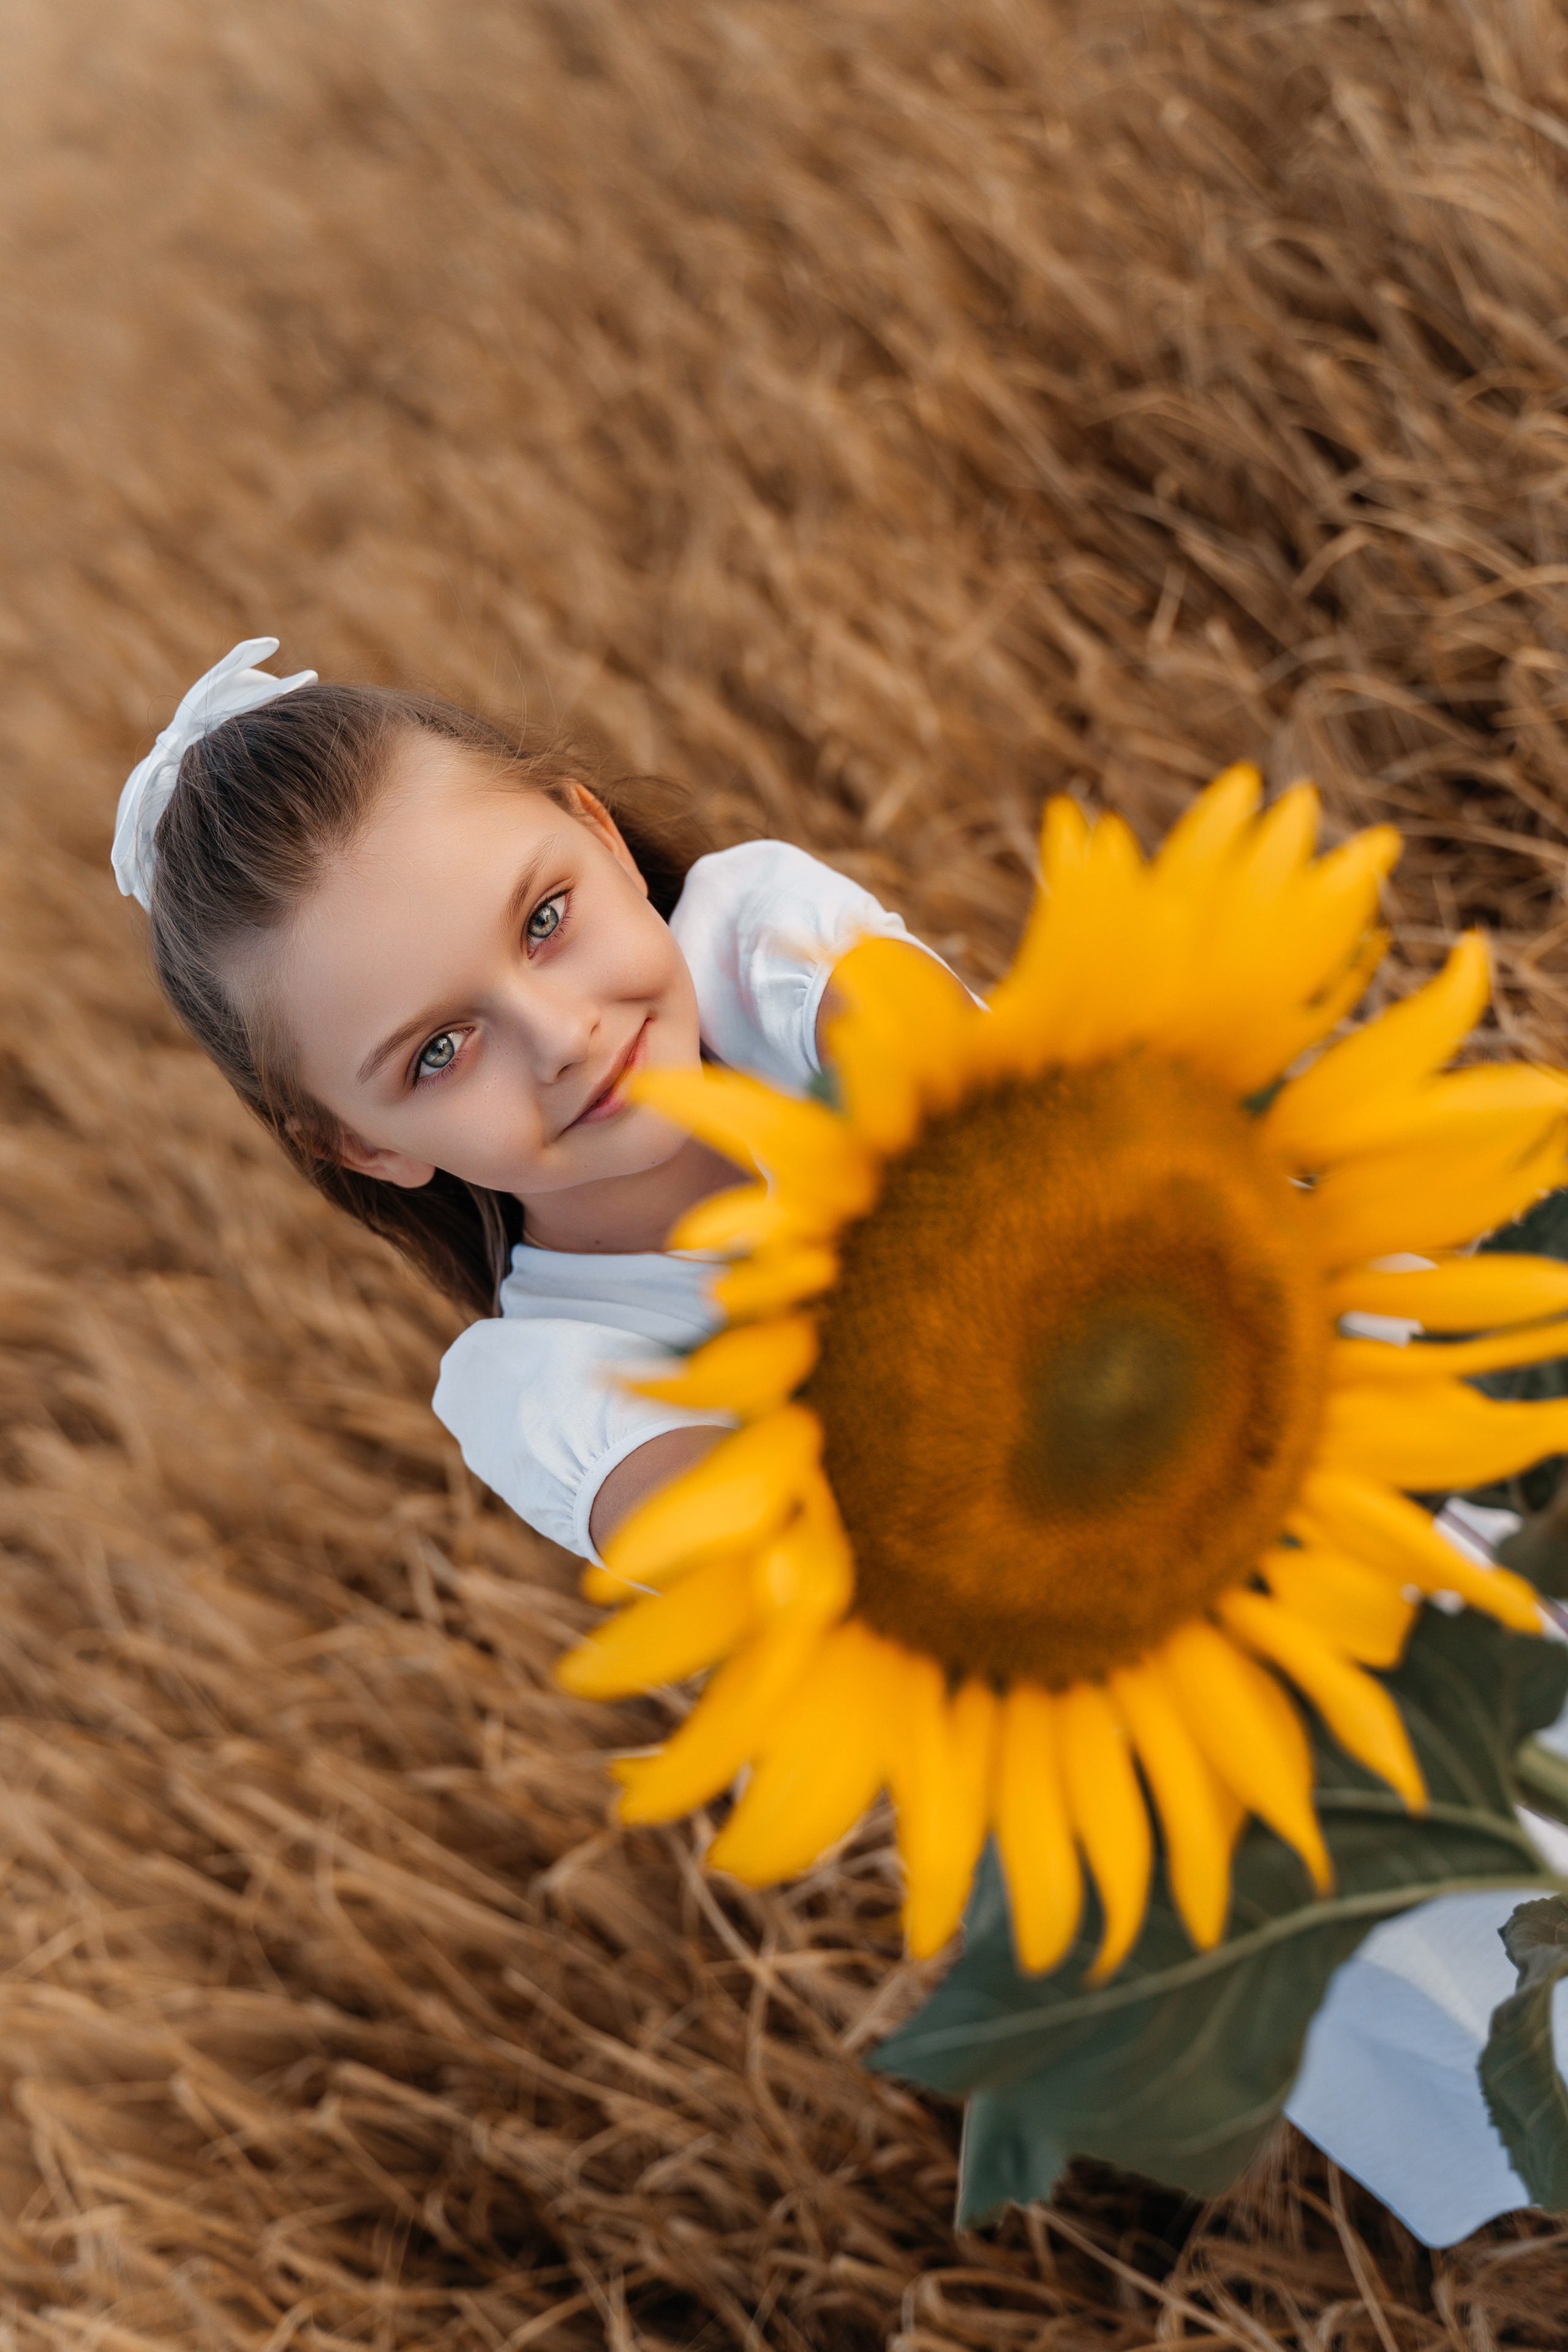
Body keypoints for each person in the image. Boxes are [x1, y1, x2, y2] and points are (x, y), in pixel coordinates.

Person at [114, 640, 960, 1562]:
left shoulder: (770, 951)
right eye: (440, 1052)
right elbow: (815, 1556)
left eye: (544, 920)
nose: (562, 1039)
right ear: (362, 1146)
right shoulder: (558, 1382)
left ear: (603, 838)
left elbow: (1001, 1130)